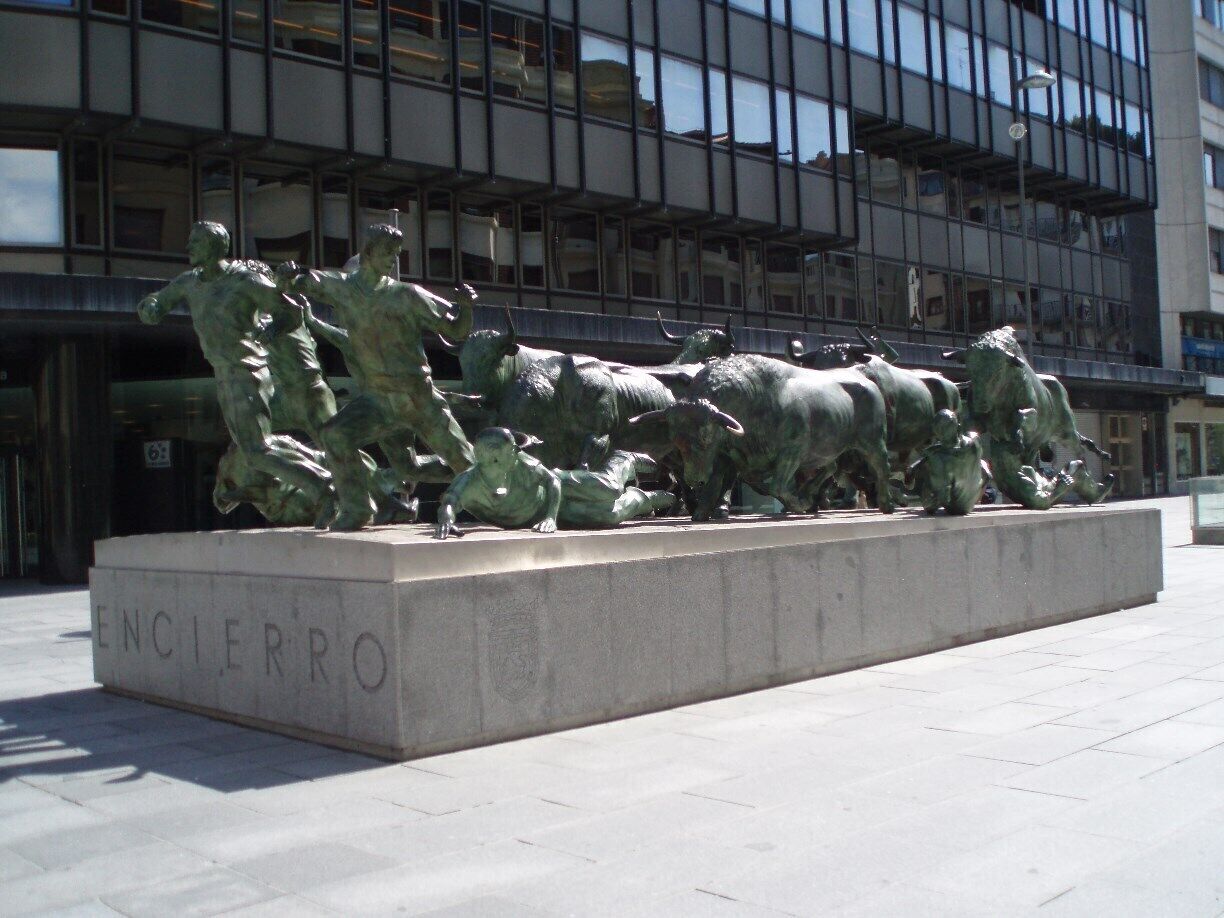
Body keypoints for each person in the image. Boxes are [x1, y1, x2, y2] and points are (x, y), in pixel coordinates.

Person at [137, 222, 334, 525]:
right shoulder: (189, 282)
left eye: (196, 242)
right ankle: (316, 487)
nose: (188, 248)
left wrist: (269, 332)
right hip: (225, 374)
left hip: (248, 371)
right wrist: (148, 308)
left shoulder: (244, 280)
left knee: (257, 450)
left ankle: (323, 489)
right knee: (252, 449)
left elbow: (290, 311)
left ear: (217, 247)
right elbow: (157, 301)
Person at [293, 223, 477, 530]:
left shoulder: (407, 295)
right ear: (368, 252)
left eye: (397, 254)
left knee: (466, 463)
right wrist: (288, 275)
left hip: (417, 396)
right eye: (387, 252)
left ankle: (509, 502)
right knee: (335, 435)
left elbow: (457, 329)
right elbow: (305, 282)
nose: (393, 259)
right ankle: (357, 508)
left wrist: (466, 308)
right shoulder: (343, 288)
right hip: (378, 399)